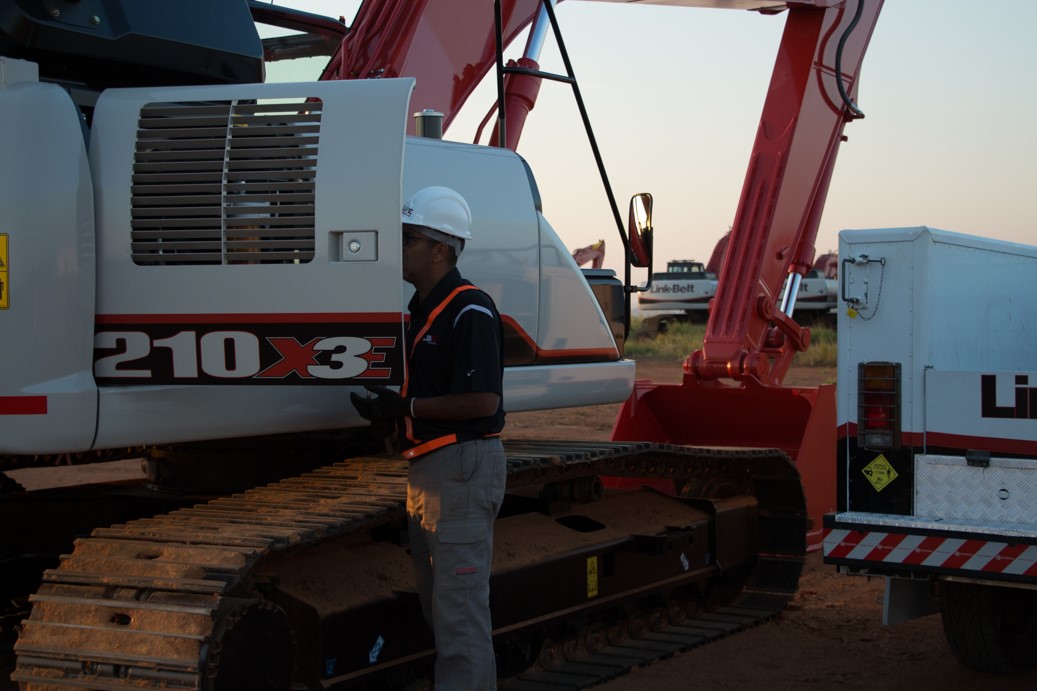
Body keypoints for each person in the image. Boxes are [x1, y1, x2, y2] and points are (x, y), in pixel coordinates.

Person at [351, 186, 507, 690]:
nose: (398, 246)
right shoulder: (422, 310)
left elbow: (483, 401)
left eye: (407, 237)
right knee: (441, 607)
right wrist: (393, 418)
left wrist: (409, 408)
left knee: (459, 614)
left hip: (459, 467)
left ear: (441, 248)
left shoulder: (470, 310)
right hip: (433, 468)